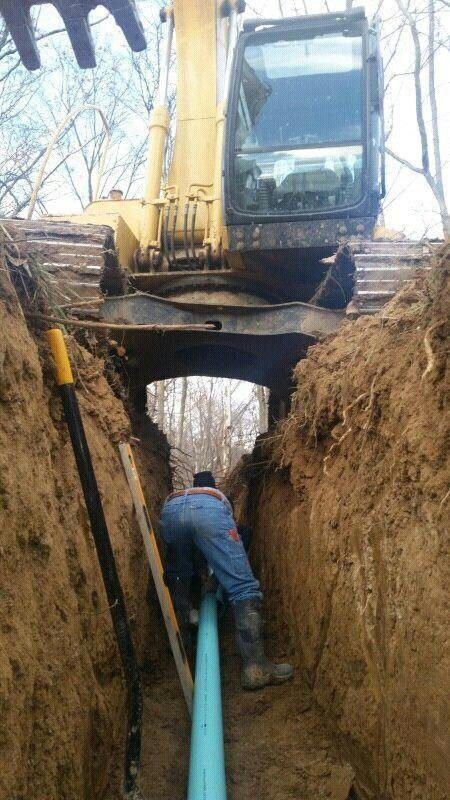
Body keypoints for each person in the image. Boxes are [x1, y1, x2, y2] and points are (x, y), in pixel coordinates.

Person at [159, 470, 293, 690]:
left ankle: (183, 647)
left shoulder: (186, 493)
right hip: (208, 509)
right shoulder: (216, 496)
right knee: (243, 587)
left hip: (170, 510)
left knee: (178, 577)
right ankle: (255, 668)